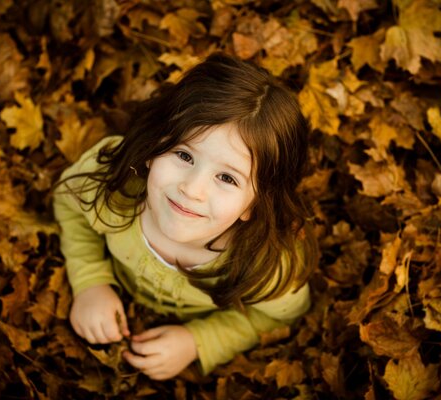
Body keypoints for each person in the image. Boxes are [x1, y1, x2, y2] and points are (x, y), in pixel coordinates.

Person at [53, 53, 318, 380]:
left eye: (227, 178)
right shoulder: (112, 183)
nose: (192, 189)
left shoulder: (266, 263)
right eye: (183, 154)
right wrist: (90, 280)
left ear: (255, 204)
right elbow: (70, 205)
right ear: (154, 147)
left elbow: (279, 317)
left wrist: (198, 340)